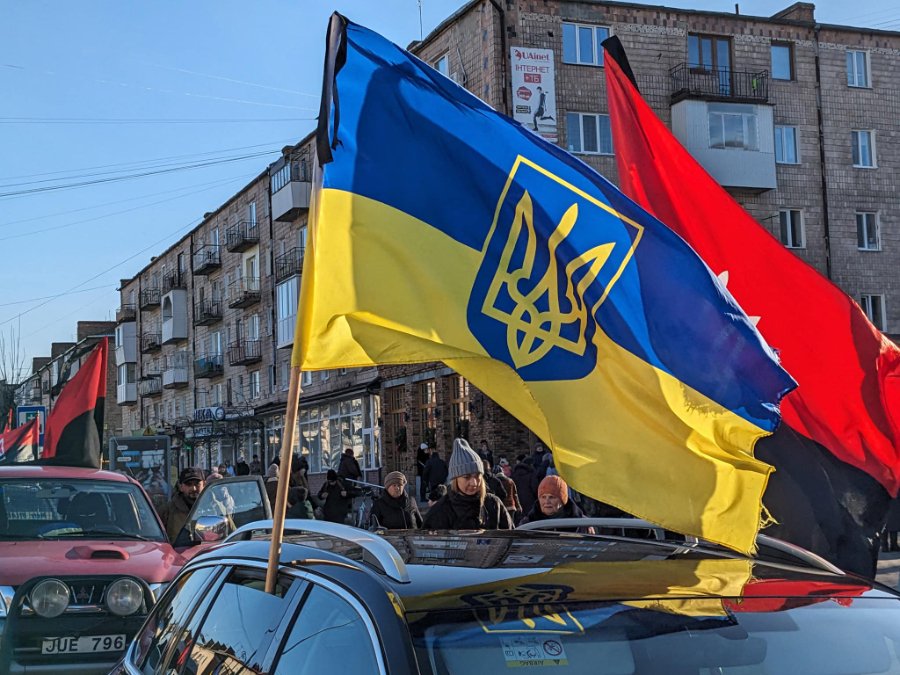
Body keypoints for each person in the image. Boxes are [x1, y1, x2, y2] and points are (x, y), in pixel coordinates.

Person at [422, 438, 513, 530]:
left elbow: (511, 535)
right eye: (466, 477)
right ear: (455, 479)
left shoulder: (493, 504)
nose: (474, 483)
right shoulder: (439, 512)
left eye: (477, 475)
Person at [520, 475, 594, 533]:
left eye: (552, 497)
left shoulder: (582, 524)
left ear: (563, 500)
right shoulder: (527, 525)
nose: (547, 501)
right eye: (543, 497)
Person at [156, 467, 205, 542]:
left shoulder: (215, 508)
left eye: (197, 484)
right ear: (181, 487)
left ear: (204, 484)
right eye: (189, 484)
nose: (194, 488)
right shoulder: (167, 510)